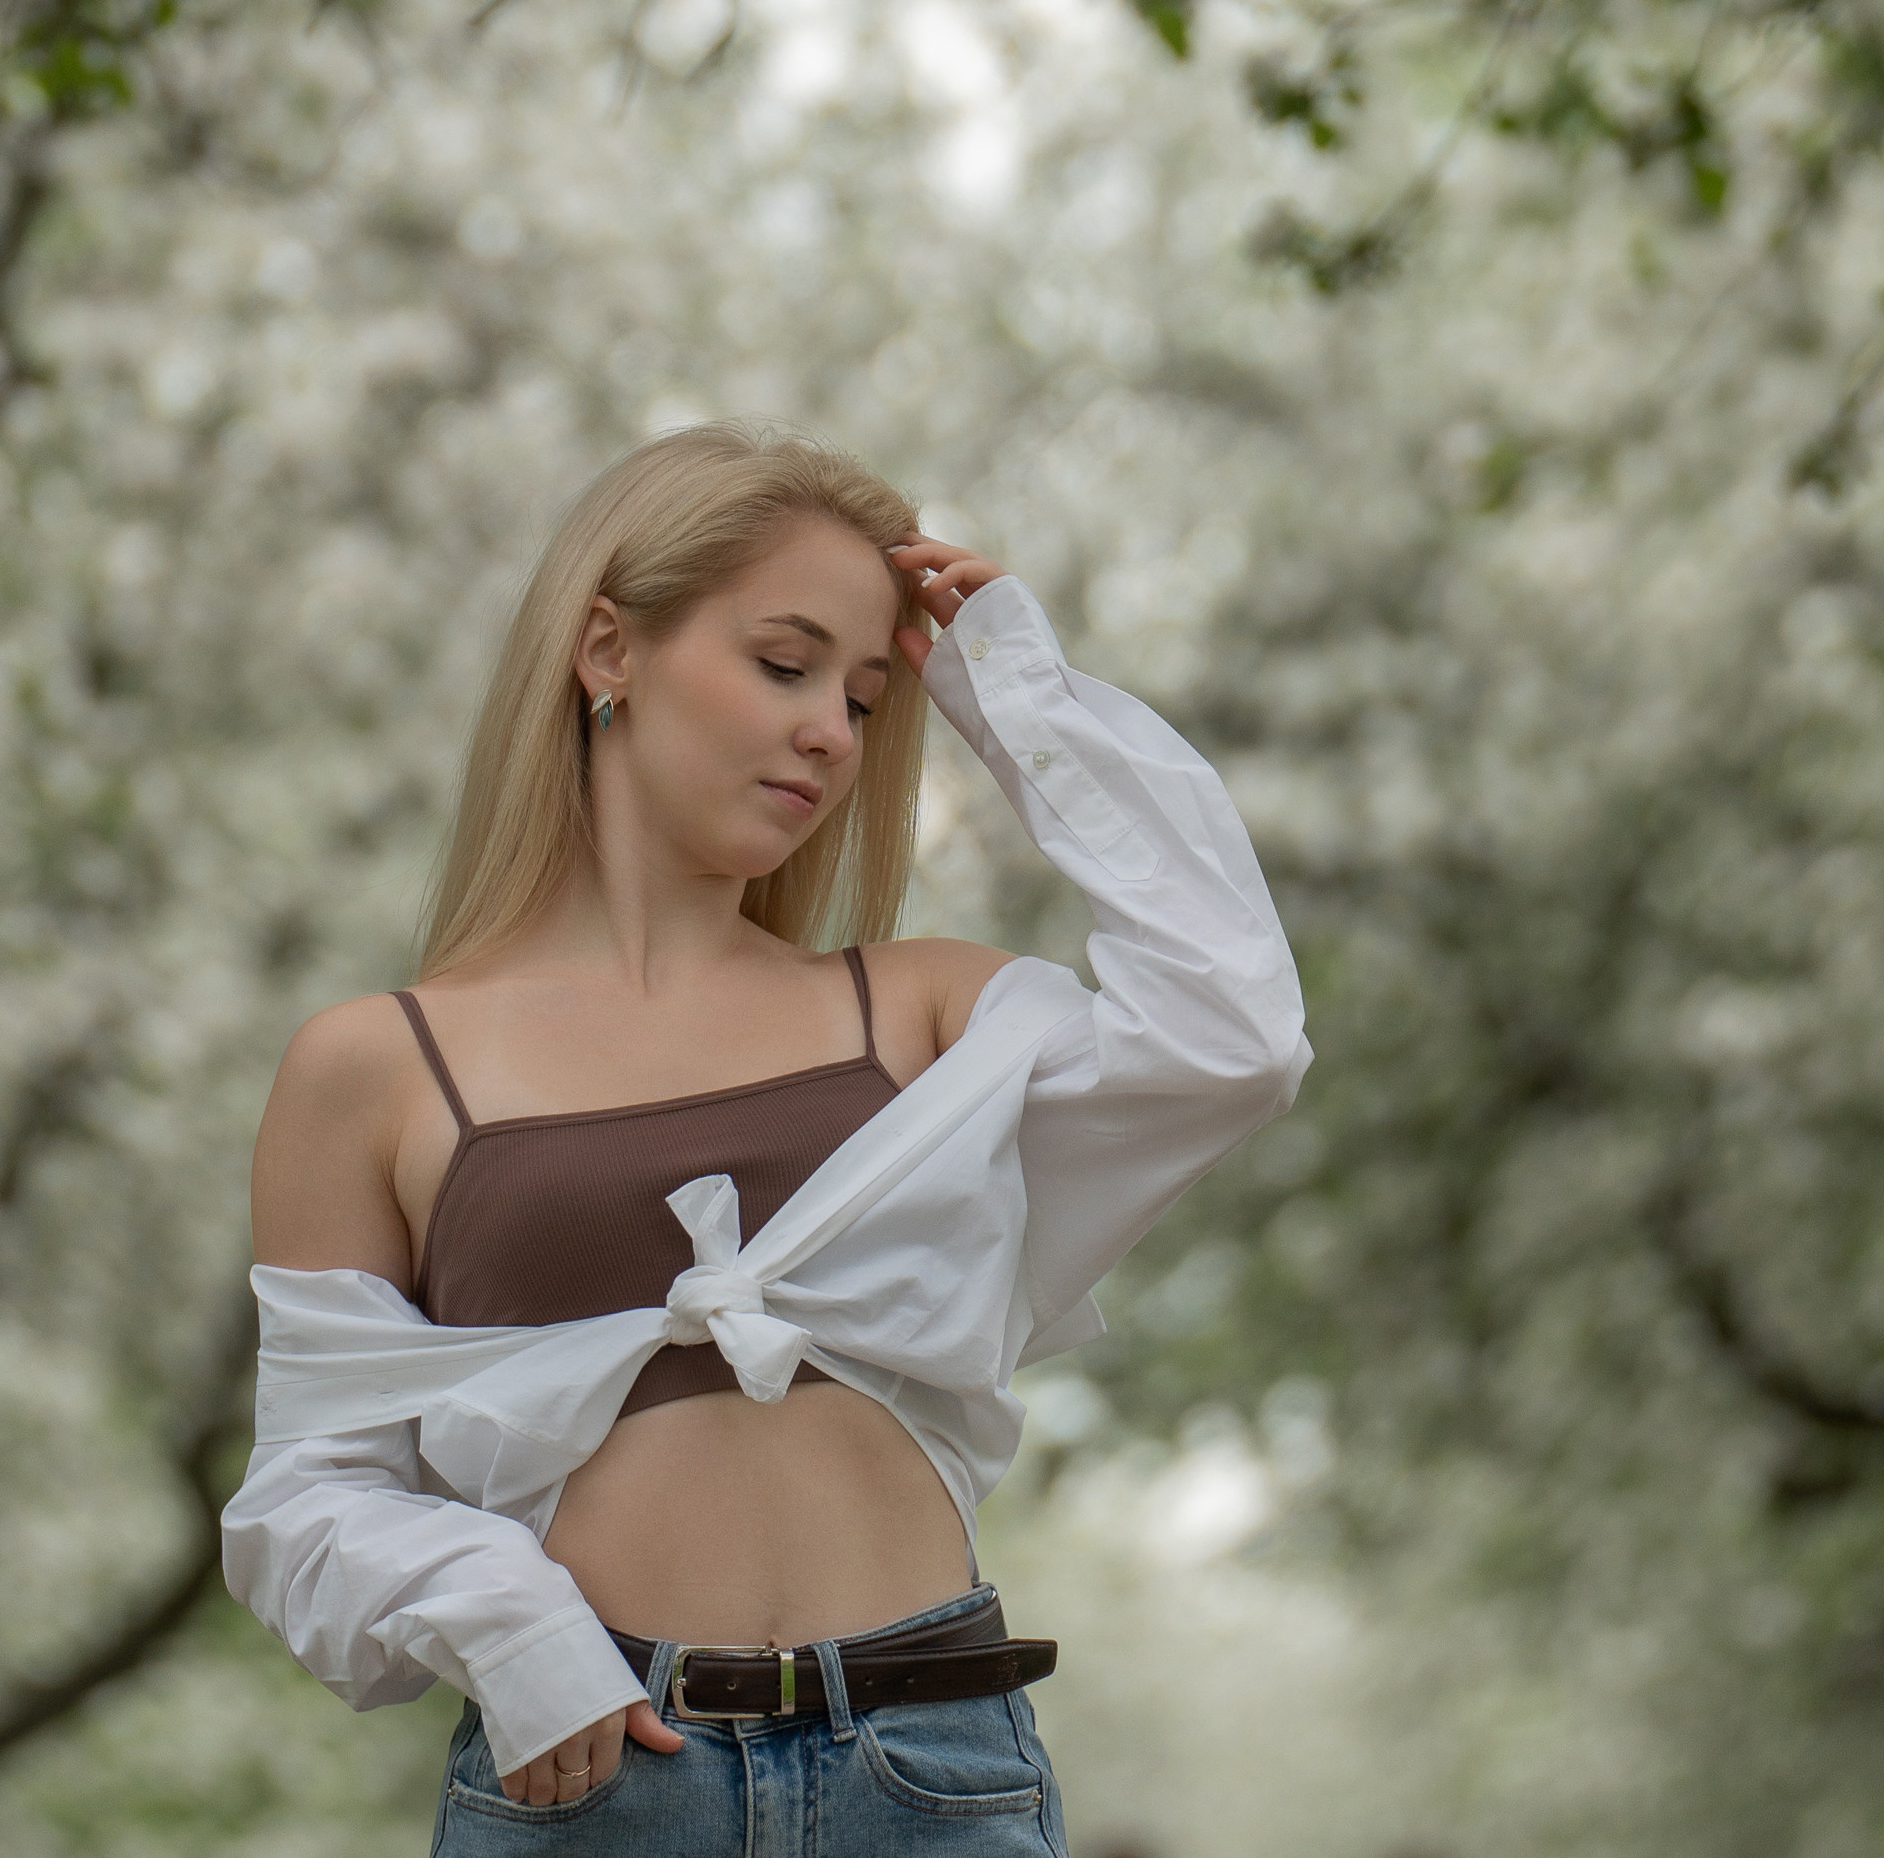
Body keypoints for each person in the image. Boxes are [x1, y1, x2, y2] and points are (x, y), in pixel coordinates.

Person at [225, 424, 1309, 1853]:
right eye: (785, 666)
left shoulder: (920, 1012)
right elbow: (306, 1499)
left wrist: (1021, 698)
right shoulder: (375, 1067)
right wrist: (505, 1622)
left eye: (863, 698)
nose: (832, 735)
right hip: (597, 1776)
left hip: (933, 1767)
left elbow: (1233, 1038)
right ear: (608, 650)